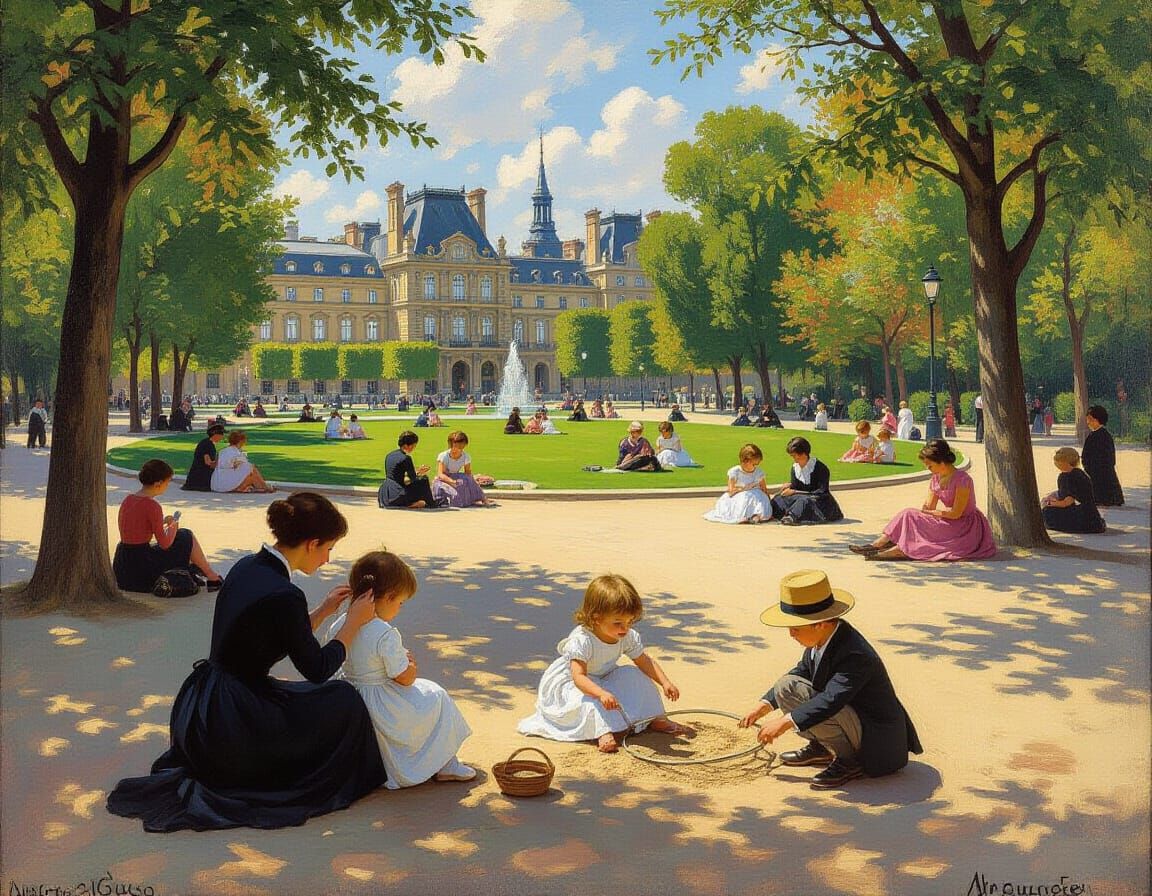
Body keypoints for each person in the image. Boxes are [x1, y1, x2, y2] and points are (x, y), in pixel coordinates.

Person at [107, 493, 386, 831]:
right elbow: (317, 670)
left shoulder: (247, 566)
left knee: (312, 698)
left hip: (202, 706)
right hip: (234, 722)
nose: (327, 560)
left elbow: (270, 639)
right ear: (311, 544)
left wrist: (324, 611)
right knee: (342, 698)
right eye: (328, 549)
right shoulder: (286, 595)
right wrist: (353, 624)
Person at [738, 569, 923, 789]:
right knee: (786, 686)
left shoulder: (856, 654)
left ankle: (850, 761)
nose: (791, 634)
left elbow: (831, 701)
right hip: (850, 718)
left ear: (820, 623)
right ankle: (822, 748)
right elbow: (802, 671)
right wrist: (763, 707)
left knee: (814, 700)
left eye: (796, 628)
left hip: (874, 739)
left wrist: (784, 722)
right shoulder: (823, 639)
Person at [331, 551, 475, 786]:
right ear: (387, 598)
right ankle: (446, 763)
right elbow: (403, 678)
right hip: (381, 701)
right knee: (435, 695)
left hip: (350, 695)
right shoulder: (384, 633)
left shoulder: (341, 623)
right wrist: (410, 666)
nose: (399, 608)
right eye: (399, 603)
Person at [517, 574, 692, 753]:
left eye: (629, 622)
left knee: (637, 677)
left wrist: (665, 682)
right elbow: (579, 677)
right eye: (618, 623)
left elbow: (644, 660)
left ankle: (656, 718)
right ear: (596, 618)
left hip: (604, 675)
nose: (625, 628)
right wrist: (600, 693)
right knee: (590, 702)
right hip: (572, 683)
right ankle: (602, 731)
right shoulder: (582, 640)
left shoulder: (626, 635)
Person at [849, 439, 997, 561]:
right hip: (947, 519)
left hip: (964, 526)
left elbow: (956, 513)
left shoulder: (963, 480)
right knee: (909, 514)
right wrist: (926, 513)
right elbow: (928, 506)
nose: (928, 468)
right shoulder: (936, 478)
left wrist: (932, 512)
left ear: (941, 462)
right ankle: (878, 545)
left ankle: (889, 550)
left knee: (911, 515)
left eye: (930, 465)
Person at [112, 459, 224, 593]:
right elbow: (165, 543)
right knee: (185, 536)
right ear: (159, 483)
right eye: (167, 482)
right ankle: (212, 577)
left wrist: (163, 522)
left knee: (182, 538)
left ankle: (203, 572)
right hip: (143, 565)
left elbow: (136, 528)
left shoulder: (128, 499)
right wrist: (173, 526)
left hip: (124, 562)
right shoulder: (152, 506)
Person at [770, 437, 843, 526]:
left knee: (804, 501)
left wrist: (795, 491)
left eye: (794, 455)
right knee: (779, 498)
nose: (792, 457)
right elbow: (796, 486)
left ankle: (792, 517)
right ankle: (775, 514)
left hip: (818, 499)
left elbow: (821, 491)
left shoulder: (820, 468)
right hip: (800, 496)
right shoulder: (795, 468)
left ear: (803, 453)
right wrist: (789, 486)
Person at [1041, 447, 1106, 534]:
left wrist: (1048, 503)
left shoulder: (1064, 477)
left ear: (1064, 462)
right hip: (1092, 516)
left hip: (1079, 517)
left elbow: (1066, 503)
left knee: (1046, 512)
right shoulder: (1080, 473)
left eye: (1057, 461)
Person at [704, 443, 773, 524]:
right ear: (745, 461)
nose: (755, 467)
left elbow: (764, 489)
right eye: (753, 464)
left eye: (756, 464)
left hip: (756, 495)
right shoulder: (735, 471)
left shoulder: (759, 472)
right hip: (738, 494)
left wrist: (769, 504)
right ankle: (741, 516)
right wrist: (744, 489)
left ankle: (757, 515)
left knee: (760, 497)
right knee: (744, 498)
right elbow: (731, 490)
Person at [379, 430, 438, 509]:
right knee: (423, 480)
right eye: (413, 445)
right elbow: (412, 479)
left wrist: (417, 472)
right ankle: (431, 504)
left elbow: (397, 475)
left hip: (385, 494)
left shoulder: (390, 455)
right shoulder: (406, 458)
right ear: (408, 445)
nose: (414, 447)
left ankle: (417, 503)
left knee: (419, 481)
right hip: (398, 494)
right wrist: (419, 474)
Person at [431, 431, 490, 507]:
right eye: (456, 446)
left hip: (456, 478)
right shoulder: (444, 456)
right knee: (455, 498)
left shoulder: (466, 456)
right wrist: (452, 481)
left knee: (467, 477)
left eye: (461, 447)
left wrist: (475, 482)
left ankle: (482, 498)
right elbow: (440, 474)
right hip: (443, 480)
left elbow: (468, 473)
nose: (459, 449)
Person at [1081, 405, 1124, 506]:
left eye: (1091, 420)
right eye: (1088, 420)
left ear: (1098, 420)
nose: (1088, 422)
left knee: (1102, 487)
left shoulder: (1103, 436)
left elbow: (1109, 455)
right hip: (1094, 468)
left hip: (1101, 468)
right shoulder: (1094, 435)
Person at [211, 430, 275, 493]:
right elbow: (243, 467)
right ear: (241, 441)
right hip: (226, 485)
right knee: (251, 468)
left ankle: (259, 487)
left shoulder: (222, 451)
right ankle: (264, 487)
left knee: (250, 470)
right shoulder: (237, 453)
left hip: (216, 484)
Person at [181, 423, 225, 491]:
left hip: (198, 475)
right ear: (216, 435)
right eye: (221, 434)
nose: (222, 437)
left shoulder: (206, 442)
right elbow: (208, 462)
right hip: (201, 477)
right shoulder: (207, 444)